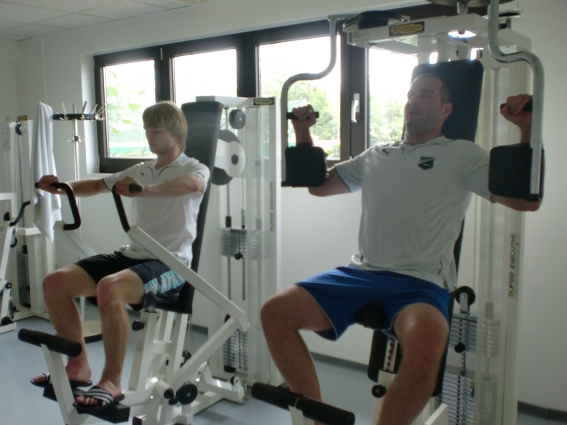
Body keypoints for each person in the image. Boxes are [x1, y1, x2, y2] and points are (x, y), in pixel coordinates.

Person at [261, 74, 541, 425]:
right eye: (411, 95)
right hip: (362, 272)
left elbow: (524, 200)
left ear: (446, 109)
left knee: (425, 354)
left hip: (421, 282)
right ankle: (317, 421)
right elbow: (320, 186)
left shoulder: (461, 154)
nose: (413, 101)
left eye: (426, 95)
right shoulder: (377, 154)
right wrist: (302, 131)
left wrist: (527, 128)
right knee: (275, 312)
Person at [31, 101, 210, 412]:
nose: (149, 136)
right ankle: (78, 366)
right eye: (147, 130)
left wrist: (143, 190)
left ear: (176, 132)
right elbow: (98, 185)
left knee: (109, 288)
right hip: (134, 255)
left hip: (171, 263)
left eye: (156, 131)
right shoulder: (141, 169)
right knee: (55, 283)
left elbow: (193, 185)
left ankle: (111, 382)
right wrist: (60, 188)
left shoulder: (193, 168)